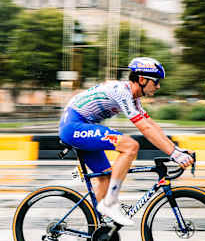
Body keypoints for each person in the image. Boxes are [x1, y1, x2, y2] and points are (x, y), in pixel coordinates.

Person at [59, 57, 194, 226]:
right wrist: (173, 154)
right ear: (142, 79)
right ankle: (110, 204)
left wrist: (176, 150)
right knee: (130, 146)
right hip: (74, 126)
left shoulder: (134, 98)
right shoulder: (122, 91)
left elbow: (151, 125)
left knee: (106, 177)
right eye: (156, 81)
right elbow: (144, 129)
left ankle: (96, 228)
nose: (158, 86)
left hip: (83, 126)